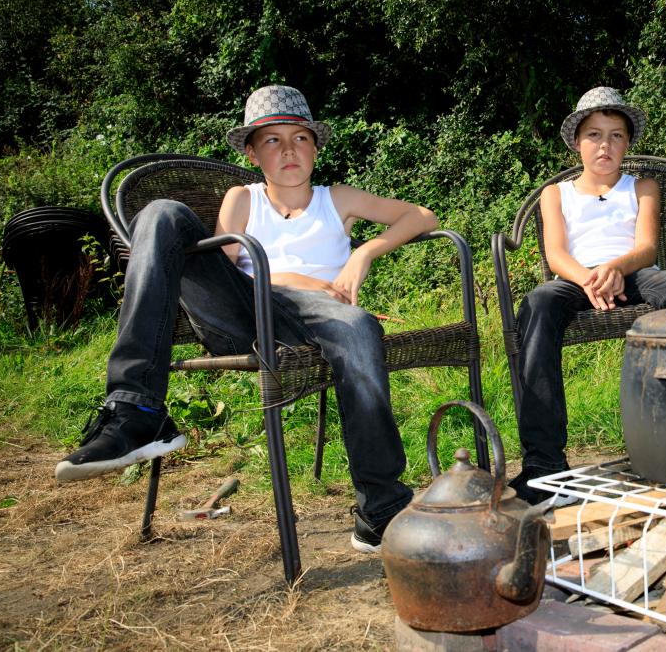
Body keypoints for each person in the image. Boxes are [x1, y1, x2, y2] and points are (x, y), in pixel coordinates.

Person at [54, 85, 438, 552]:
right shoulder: (243, 198)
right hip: (245, 312)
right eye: (272, 141)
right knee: (161, 214)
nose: (289, 149)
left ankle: (381, 507)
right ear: (253, 154)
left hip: (318, 318)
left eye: (299, 137)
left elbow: (422, 215)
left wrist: (365, 254)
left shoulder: (337, 198)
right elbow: (226, 265)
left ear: (316, 147)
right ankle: (137, 410)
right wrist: (299, 277)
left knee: (358, 327)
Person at [508, 86, 666, 504]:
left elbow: (647, 248)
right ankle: (544, 465)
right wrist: (592, 278)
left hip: (636, 275)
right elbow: (557, 254)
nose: (605, 144)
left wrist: (616, 269)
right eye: (595, 135)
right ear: (577, 144)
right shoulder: (556, 193)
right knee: (537, 303)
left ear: (628, 144)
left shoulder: (643, 187)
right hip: (577, 280)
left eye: (616, 135)